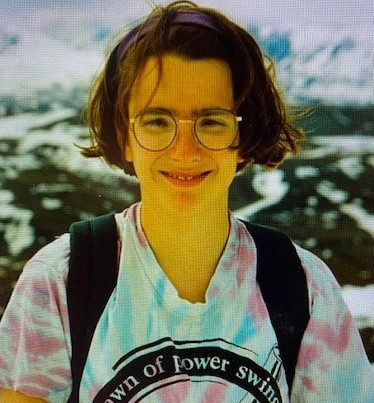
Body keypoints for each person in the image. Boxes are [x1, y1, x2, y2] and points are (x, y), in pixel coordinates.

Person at [0, 1, 373, 402]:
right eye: (157, 121)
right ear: (124, 135)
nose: (185, 150)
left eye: (211, 121)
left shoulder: (304, 287)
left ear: (244, 138)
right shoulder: (58, 283)